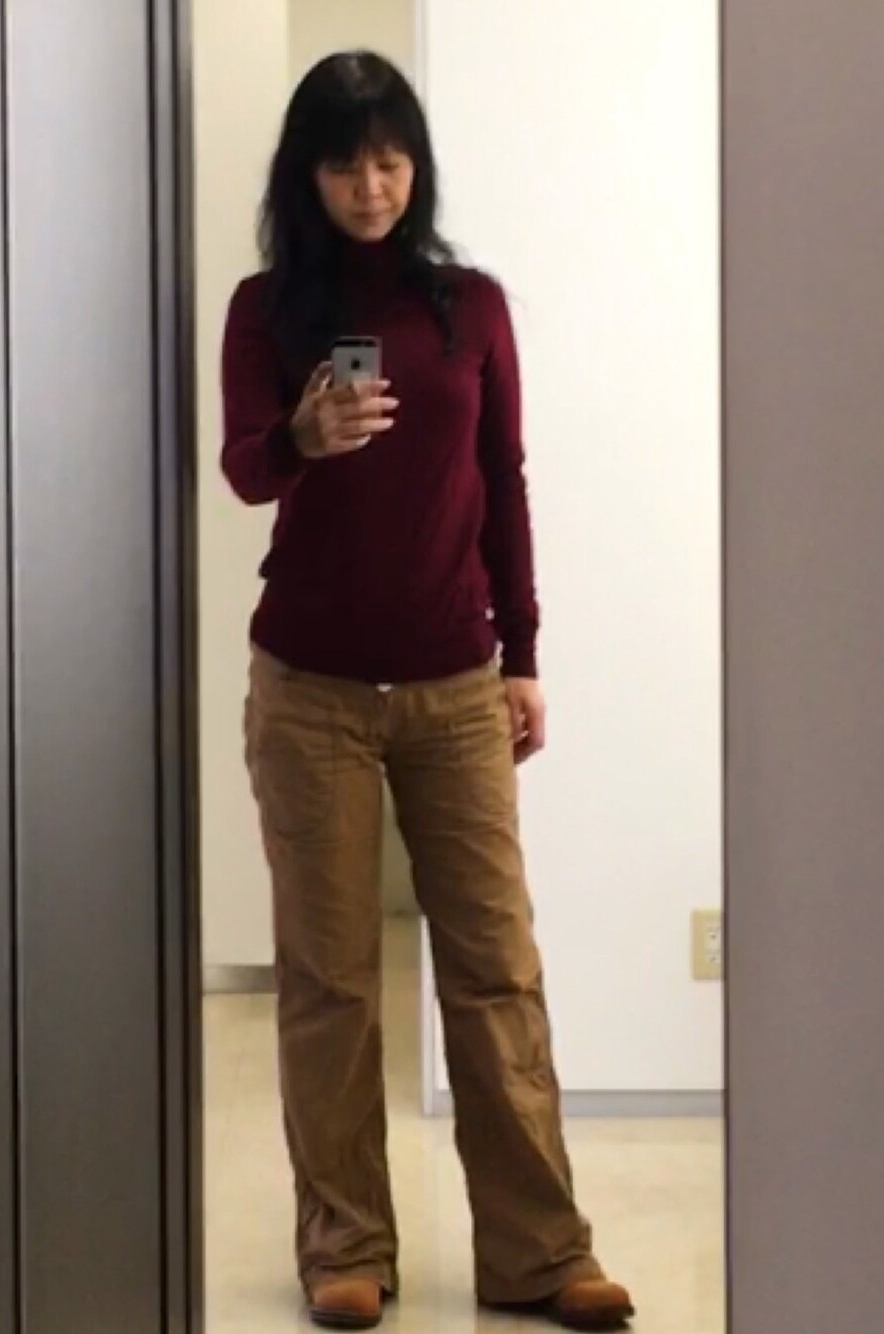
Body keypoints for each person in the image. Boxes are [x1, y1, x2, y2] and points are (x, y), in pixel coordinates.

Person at [220, 50, 635, 1334]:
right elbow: (241, 469)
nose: (371, 186)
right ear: (306, 174)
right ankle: (346, 1246)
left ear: (418, 165)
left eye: (390, 159)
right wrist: (300, 436)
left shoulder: (472, 307)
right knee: (331, 979)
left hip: (457, 681)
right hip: (311, 690)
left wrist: (526, 654)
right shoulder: (265, 309)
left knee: (495, 966)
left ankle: (540, 1250)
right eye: (345, 163)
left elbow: (503, 480)